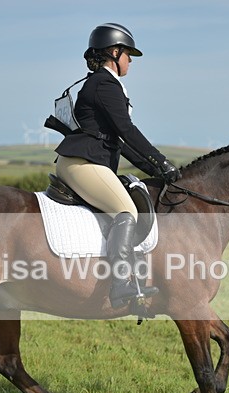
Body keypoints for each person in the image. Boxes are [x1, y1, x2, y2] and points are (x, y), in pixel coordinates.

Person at [54, 23, 181, 309]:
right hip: (82, 163)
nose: (131, 61)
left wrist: (157, 172)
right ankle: (121, 284)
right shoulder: (104, 84)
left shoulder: (100, 83)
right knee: (127, 210)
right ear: (114, 52)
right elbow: (127, 130)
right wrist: (161, 161)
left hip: (85, 161)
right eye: (128, 54)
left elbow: (120, 144)